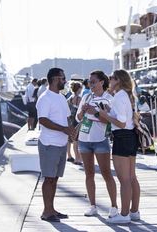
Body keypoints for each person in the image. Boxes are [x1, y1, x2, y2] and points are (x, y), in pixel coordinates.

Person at [99, 69, 140, 224]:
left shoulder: (118, 96)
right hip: (131, 136)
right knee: (131, 177)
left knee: (124, 180)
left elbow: (121, 123)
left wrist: (105, 116)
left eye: (111, 78)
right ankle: (134, 211)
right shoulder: (128, 95)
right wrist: (110, 112)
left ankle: (123, 215)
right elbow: (125, 118)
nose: (109, 80)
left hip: (121, 137)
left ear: (118, 80)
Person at [75, 70, 118, 217]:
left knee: (107, 174)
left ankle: (114, 206)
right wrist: (83, 111)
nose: (90, 84)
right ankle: (92, 206)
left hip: (100, 140)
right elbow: (78, 118)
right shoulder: (86, 96)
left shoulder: (109, 98)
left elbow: (111, 121)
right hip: (84, 140)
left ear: (102, 82)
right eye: (89, 82)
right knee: (89, 174)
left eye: (93, 81)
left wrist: (95, 112)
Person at [36, 67, 74, 222]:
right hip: (49, 143)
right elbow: (42, 120)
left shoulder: (61, 98)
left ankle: (52, 209)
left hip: (61, 143)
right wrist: (63, 129)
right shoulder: (45, 98)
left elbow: (67, 118)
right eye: (62, 78)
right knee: (49, 178)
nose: (64, 81)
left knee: (55, 178)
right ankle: (46, 212)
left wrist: (70, 131)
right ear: (55, 79)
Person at [67, 81, 83, 165]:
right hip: (77, 121)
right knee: (76, 140)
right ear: (79, 89)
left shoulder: (69, 98)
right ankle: (77, 158)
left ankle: (69, 156)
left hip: (70, 120)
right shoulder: (79, 99)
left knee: (70, 140)